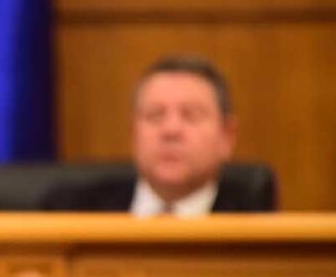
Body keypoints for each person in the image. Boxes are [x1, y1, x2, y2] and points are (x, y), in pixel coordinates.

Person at [44, 55, 274, 215]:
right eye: (155, 116)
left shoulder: (258, 230)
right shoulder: (74, 211)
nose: (170, 130)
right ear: (134, 132)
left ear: (227, 136)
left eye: (191, 116)